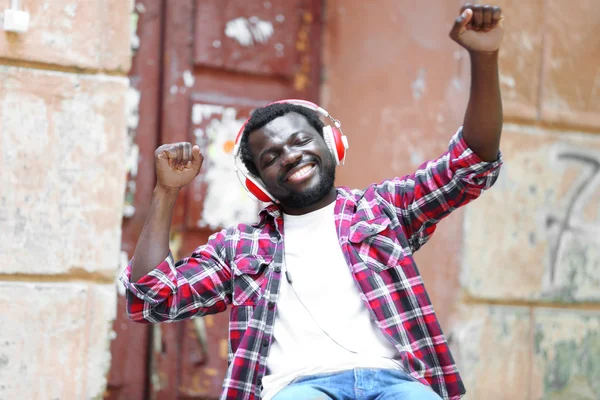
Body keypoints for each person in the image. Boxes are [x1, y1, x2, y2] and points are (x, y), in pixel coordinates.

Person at [121, 4, 505, 400]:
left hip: (395, 383)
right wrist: (165, 191)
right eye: (270, 157)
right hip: (297, 388)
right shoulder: (238, 248)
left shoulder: (383, 211)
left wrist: (484, 56)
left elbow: (471, 165)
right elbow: (152, 299)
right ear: (259, 182)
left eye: (301, 140)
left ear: (330, 143)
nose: (289, 155)